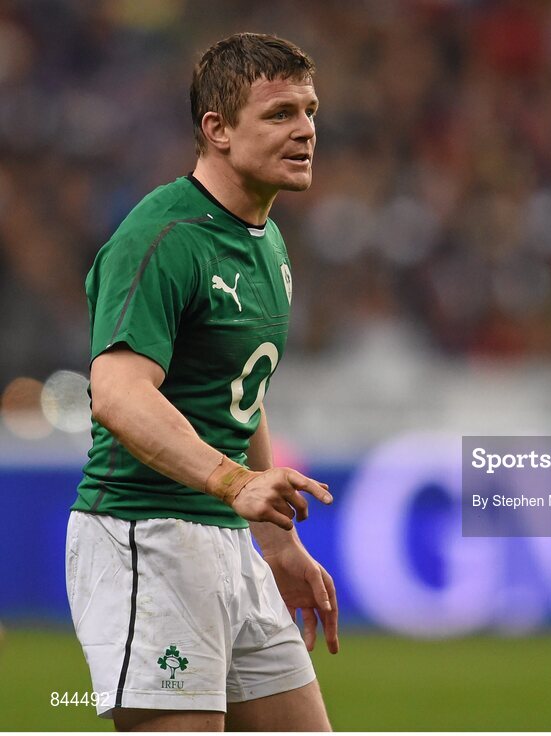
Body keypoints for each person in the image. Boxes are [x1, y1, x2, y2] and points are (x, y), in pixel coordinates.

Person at [66, 33, 337, 731]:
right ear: (216, 130)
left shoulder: (266, 240)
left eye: (309, 111)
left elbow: (238, 395)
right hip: (143, 536)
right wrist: (236, 483)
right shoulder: (163, 237)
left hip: (226, 542)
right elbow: (118, 395)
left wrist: (276, 541)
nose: (305, 129)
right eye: (280, 114)